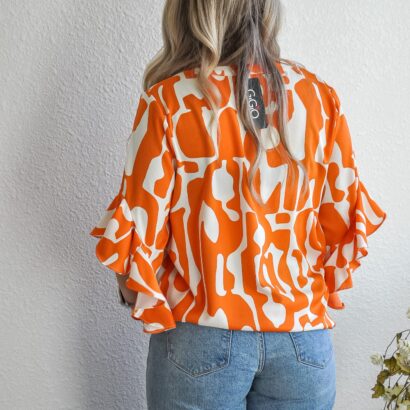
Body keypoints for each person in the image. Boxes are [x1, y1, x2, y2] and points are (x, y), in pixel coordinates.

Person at [89, 1, 387, 408]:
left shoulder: (169, 102)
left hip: (200, 337)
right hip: (303, 343)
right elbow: (341, 229)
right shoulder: (318, 98)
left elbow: (137, 248)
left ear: (191, 13)